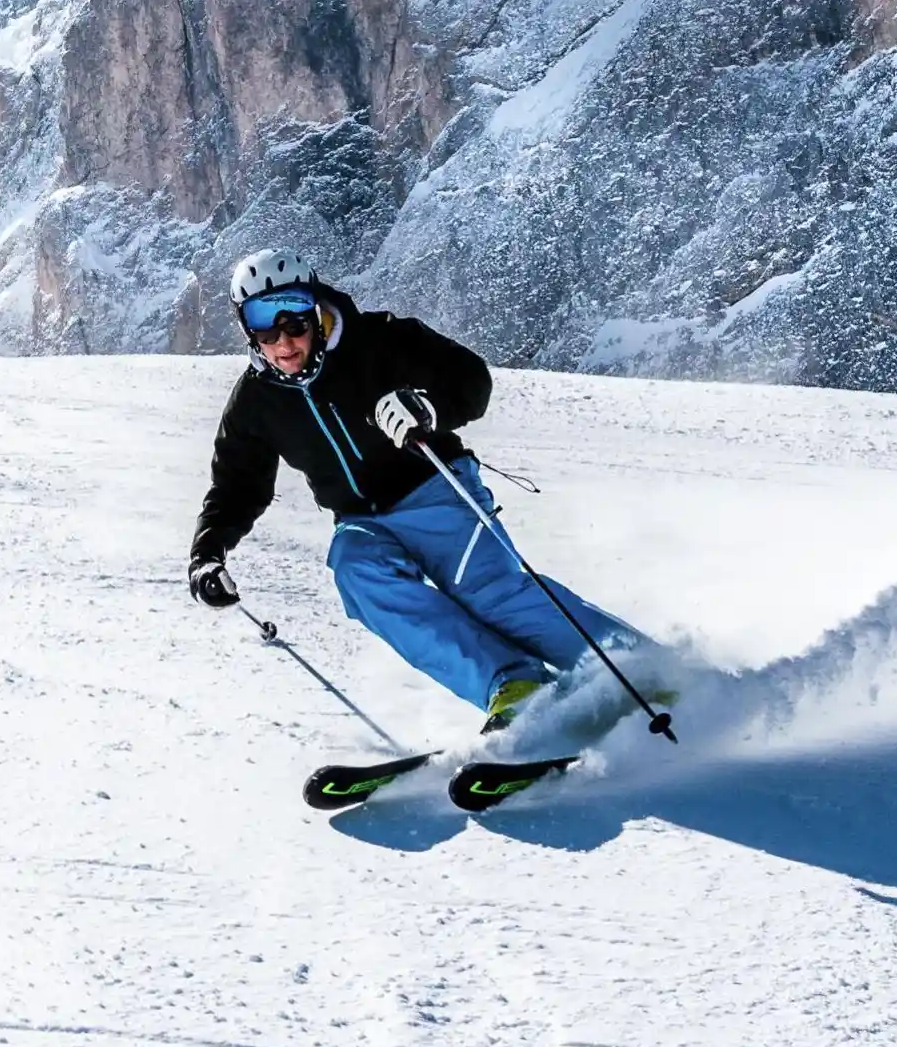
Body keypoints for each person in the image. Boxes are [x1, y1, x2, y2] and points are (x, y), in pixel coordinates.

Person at [188, 247, 641, 735]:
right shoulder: (256, 400)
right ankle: (514, 685)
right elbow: (237, 484)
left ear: (315, 309)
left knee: (488, 593)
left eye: (293, 316)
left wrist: (427, 409)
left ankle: (636, 670)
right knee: (356, 572)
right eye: (263, 324)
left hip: (435, 489)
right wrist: (208, 553)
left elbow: (471, 380)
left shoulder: (380, 339)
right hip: (362, 520)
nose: (283, 339)